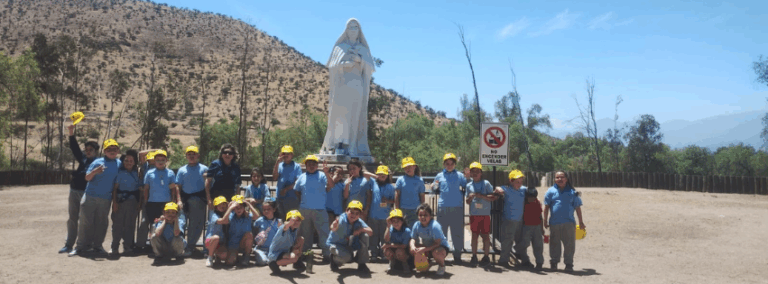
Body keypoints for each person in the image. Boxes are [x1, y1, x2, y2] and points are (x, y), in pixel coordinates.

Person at [320, 18, 376, 158]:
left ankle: (353, 146)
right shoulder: (340, 47)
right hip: (342, 87)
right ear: (346, 30)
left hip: (357, 86)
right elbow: (332, 66)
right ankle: (338, 144)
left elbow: (370, 68)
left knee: (355, 116)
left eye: (355, 27)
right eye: (350, 27)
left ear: (359, 30)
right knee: (341, 117)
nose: (353, 30)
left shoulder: (363, 49)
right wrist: (344, 64)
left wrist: (360, 61)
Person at [69, 139, 122, 257]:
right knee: (85, 223)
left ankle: (97, 246)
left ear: (118, 151)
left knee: (101, 223)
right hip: (90, 196)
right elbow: (87, 178)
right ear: (104, 151)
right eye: (109, 149)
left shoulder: (119, 164)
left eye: (114, 149)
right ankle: (80, 247)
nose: (112, 151)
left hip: (106, 199)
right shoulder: (98, 162)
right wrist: (95, 171)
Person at [60, 124, 99, 254]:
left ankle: (85, 244)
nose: (88, 151)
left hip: (87, 193)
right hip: (74, 191)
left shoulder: (99, 163)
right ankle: (69, 244)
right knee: (72, 218)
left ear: (96, 151)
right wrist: (71, 131)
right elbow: (74, 147)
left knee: (85, 220)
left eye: (91, 149)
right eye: (86, 149)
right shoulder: (82, 159)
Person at [137, 150, 177, 253]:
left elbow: (173, 189)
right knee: (150, 223)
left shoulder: (170, 173)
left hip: (166, 204)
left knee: (164, 223)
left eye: (163, 160)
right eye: (158, 160)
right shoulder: (149, 173)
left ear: (166, 161)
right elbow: (146, 188)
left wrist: (173, 201)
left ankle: (162, 246)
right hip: (151, 202)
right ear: (154, 161)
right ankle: (146, 245)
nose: (160, 162)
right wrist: (145, 201)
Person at [544, 171, 585, 272]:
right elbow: (546, 207)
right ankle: (554, 263)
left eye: (562, 177)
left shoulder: (573, 192)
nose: (560, 179)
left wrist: (581, 221)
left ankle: (569, 264)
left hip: (569, 223)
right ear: (554, 179)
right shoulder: (550, 191)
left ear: (566, 179)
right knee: (554, 244)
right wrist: (545, 221)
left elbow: (578, 208)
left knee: (569, 244)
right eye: (557, 177)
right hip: (554, 223)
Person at [431, 153, 468, 263]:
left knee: (457, 232)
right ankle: (442, 256)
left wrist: (468, 177)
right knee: (442, 233)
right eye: (447, 163)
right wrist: (433, 186)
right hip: (443, 207)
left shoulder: (460, 176)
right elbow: (434, 186)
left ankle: (457, 256)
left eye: (452, 163)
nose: (449, 165)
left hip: (457, 207)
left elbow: (467, 185)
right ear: (444, 164)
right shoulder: (439, 176)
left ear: (455, 164)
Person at [294, 155, 331, 259]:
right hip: (304, 210)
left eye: (313, 164)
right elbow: (297, 190)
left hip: (320, 209)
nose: (311, 166)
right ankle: (306, 253)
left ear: (317, 165)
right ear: (305, 165)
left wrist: (327, 173)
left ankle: (327, 254)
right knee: (306, 233)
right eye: (309, 164)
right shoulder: (302, 176)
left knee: (324, 232)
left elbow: (330, 186)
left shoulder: (322, 175)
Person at [175, 145, 209, 257]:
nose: (191, 156)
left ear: (198, 155)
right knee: (181, 223)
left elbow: (209, 185)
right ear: (186, 156)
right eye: (189, 154)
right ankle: (179, 246)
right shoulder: (182, 170)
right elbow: (177, 187)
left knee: (196, 225)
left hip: (199, 200)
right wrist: (178, 200)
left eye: (193, 154)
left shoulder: (204, 169)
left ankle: (190, 246)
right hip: (184, 200)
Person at [110, 149, 141, 255]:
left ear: (134, 162)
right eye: (126, 160)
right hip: (120, 200)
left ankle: (127, 246)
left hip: (133, 202)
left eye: (131, 161)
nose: (128, 163)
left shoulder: (137, 173)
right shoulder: (119, 172)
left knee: (130, 225)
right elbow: (114, 189)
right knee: (117, 225)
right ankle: (114, 247)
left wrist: (139, 203)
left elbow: (139, 190)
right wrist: (114, 203)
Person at [465, 162, 497, 267]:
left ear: (481, 173)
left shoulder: (486, 183)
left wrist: (481, 196)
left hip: (485, 215)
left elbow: (493, 197)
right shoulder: (469, 185)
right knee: (474, 236)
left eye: (477, 171)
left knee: (486, 236)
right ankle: (474, 256)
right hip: (474, 214)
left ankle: (486, 256)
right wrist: (470, 198)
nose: (475, 174)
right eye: (473, 172)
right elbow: (467, 202)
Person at [327, 200, 372, 273]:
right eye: (352, 212)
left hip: (348, 245)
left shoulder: (359, 221)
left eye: (357, 213)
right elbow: (333, 227)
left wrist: (361, 229)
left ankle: (362, 263)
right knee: (347, 258)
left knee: (365, 235)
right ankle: (334, 259)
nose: (354, 215)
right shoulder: (341, 219)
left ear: (360, 214)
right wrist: (334, 226)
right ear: (346, 211)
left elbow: (370, 232)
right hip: (337, 244)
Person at [493, 170, 527, 267]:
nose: (519, 184)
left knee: (521, 241)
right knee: (507, 241)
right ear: (510, 181)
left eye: (520, 181)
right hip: (508, 219)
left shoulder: (523, 189)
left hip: (520, 220)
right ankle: (503, 260)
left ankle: (522, 259)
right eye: (517, 181)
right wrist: (497, 188)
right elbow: (497, 189)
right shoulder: (506, 189)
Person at [218, 195, 259, 266]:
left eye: (241, 207)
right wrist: (230, 208)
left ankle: (246, 256)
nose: (239, 210)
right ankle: (237, 257)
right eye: (236, 208)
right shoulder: (231, 215)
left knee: (249, 235)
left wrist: (248, 204)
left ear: (244, 207)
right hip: (233, 244)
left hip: (243, 242)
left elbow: (257, 216)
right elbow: (224, 220)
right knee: (229, 263)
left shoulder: (248, 215)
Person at [409, 203, 448, 276]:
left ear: (430, 216)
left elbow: (437, 243)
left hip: (440, 247)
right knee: (412, 249)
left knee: (436, 253)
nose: (423, 217)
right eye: (420, 215)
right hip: (427, 247)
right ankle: (427, 263)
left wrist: (424, 249)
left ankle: (442, 266)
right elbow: (413, 239)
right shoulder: (416, 225)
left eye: (425, 215)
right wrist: (412, 246)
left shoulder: (435, 226)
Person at [367, 165, 395, 261]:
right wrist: (375, 176)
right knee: (373, 236)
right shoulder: (373, 183)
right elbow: (363, 173)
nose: (381, 177)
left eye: (383, 175)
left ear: (387, 176)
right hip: (373, 214)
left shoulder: (390, 187)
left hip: (385, 216)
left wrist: (388, 201)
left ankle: (384, 253)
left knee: (384, 237)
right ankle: (374, 253)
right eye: (379, 175)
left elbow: (394, 200)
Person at [519, 187, 545, 270]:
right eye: (530, 197)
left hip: (536, 226)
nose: (531, 199)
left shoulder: (537, 203)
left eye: (533, 197)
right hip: (526, 226)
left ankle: (539, 262)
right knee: (524, 244)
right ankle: (525, 260)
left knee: (538, 245)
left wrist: (542, 228)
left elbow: (540, 216)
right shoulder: (523, 204)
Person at [395, 157, 425, 227]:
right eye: (405, 167)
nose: (407, 169)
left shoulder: (419, 180)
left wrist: (422, 209)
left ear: (414, 167)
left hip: (416, 209)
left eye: (409, 167)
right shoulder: (400, 180)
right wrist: (397, 209)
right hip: (403, 209)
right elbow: (397, 195)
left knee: (415, 229)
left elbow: (422, 196)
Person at [273, 145, 302, 216]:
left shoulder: (296, 166)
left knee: (292, 220)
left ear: (292, 155)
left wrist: (286, 189)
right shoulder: (279, 165)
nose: (285, 155)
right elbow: (274, 177)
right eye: (283, 153)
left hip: (292, 199)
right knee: (281, 220)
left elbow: (298, 182)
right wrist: (277, 162)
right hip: (280, 198)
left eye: (288, 154)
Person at [253, 200, 282, 266]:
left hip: (273, 249)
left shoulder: (279, 221)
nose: (266, 211)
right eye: (264, 209)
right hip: (261, 248)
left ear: (274, 210)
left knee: (278, 260)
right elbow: (254, 231)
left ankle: (270, 259)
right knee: (262, 262)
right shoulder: (259, 220)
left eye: (268, 209)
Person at [382, 209, 411, 273]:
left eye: (398, 221)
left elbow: (403, 246)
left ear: (402, 221)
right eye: (393, 221)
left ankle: (405, 265)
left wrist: (389, 245)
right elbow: (386, 239)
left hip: (405, 254)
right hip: (395, 250)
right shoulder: (391, 229)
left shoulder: (406, 231)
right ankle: (392, 263)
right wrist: (388, 226)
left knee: (399, 251)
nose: (395, 223)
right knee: (386, 250)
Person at [204, 196, 229, 267]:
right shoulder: (213, 214)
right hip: (210, 241)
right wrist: (230, 209)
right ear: (216, 206)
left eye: (224, 204)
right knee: (216, 238)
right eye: (219, 204)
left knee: (224, 256)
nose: (222, 206)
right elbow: (223, 221)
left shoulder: (227, 214)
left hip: (220, 242)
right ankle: (210, 257)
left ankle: (217, 256)